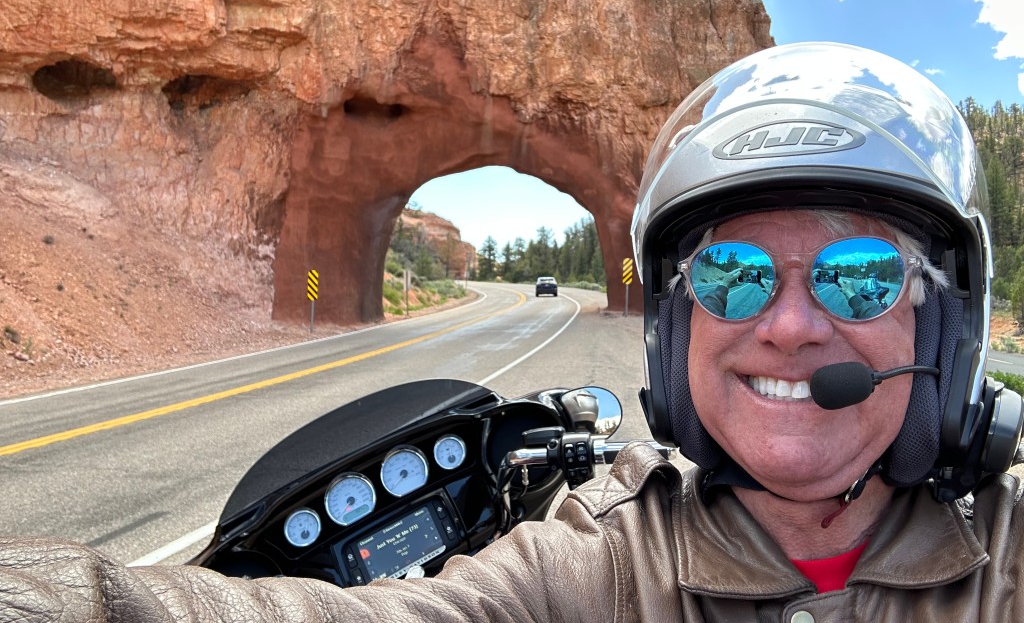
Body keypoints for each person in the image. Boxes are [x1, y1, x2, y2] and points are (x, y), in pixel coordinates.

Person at [3, 42, 1024, 621]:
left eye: (859, 277)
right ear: (674, 331)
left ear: (944, 320)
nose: (790, 325)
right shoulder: (592, 568)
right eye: (732, 274)